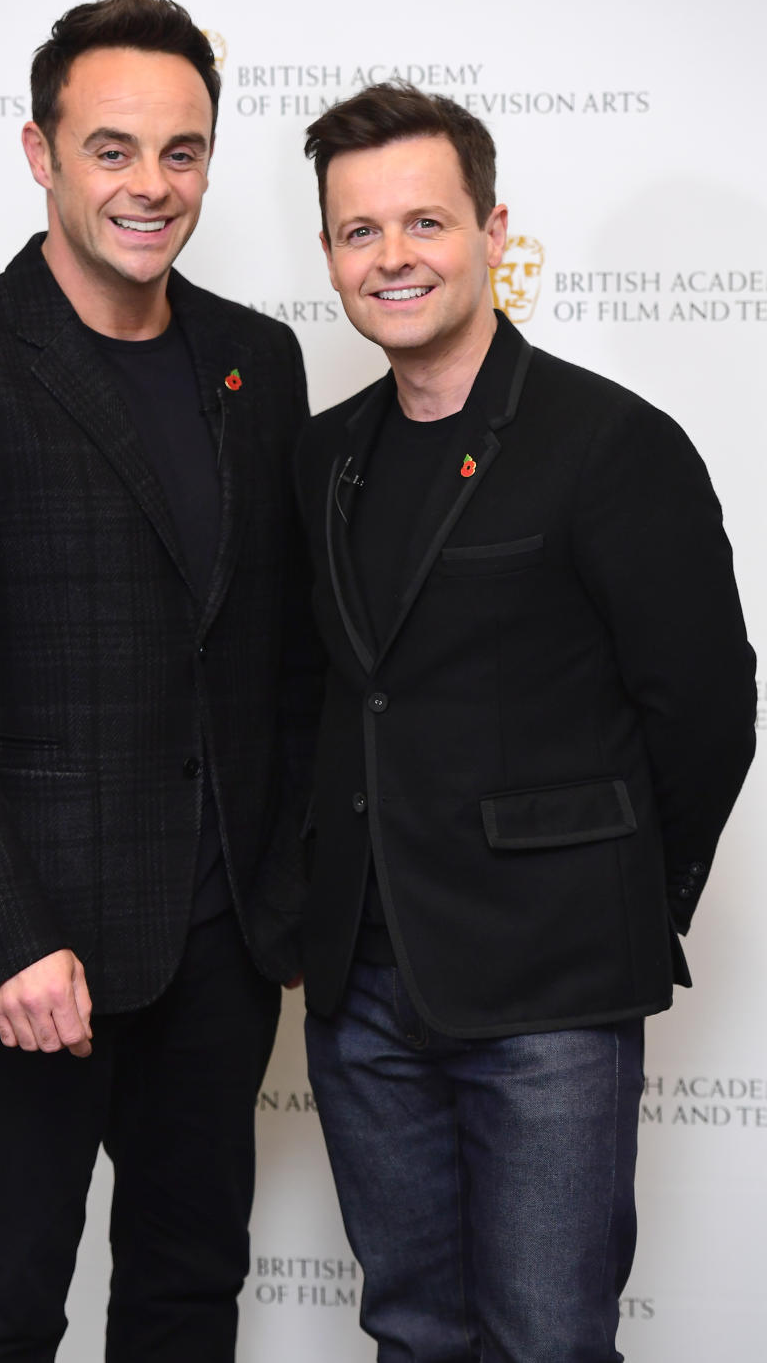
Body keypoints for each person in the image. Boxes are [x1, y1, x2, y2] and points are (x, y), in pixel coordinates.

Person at [0, 0, 318, 1363]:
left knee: (188, 1294)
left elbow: (284, 653)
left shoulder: (259, 360)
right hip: (35, 958)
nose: (150, 184)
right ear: (40, 154)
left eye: (180, 151)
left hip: (221, 943)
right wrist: (8, 934)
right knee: (3, 1307)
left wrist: (277, 895)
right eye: (112, 148)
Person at [294, 82, 756, 1362]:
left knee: (548, 1339)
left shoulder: (613, 445)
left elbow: (708, 708)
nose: (395, 257)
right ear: (329, 253)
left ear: (493, 229)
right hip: (364, 992)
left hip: (551, 989)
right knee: (410, 1332)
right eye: (359, 231)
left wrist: (624, 896)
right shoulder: (319, 457)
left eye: (425, 222)